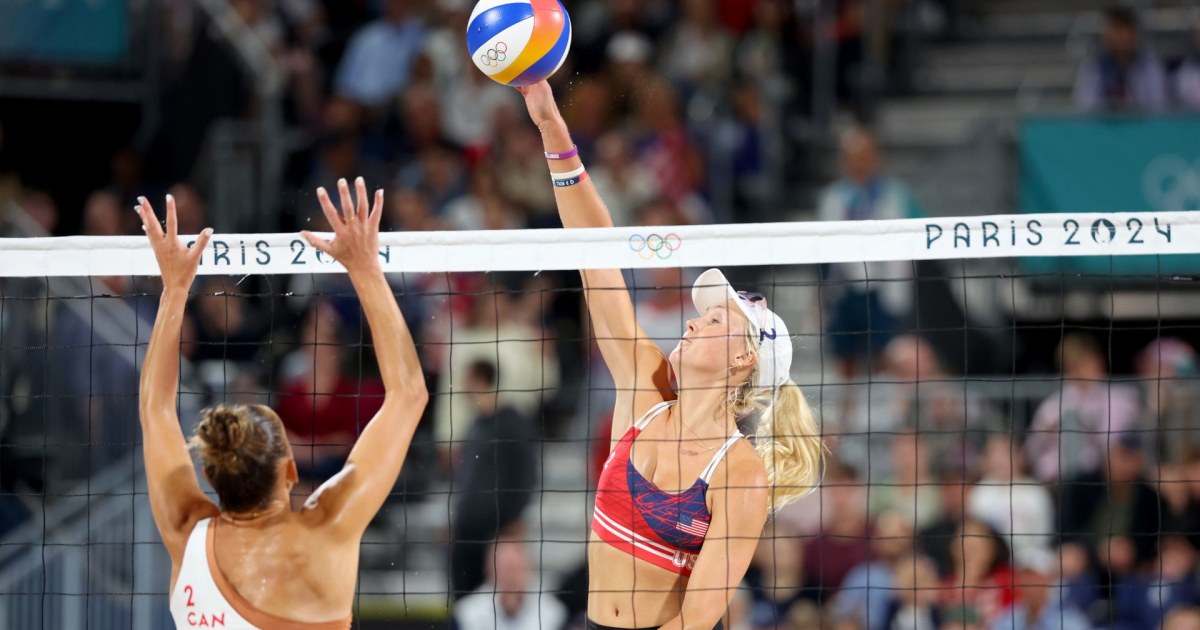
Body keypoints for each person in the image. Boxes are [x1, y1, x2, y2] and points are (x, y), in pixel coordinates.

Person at [516, 80, 824, 630]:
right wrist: (551, 128)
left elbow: (699, 618)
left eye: (712, 320)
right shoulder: (645, 391)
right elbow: (596, 251)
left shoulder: (738, 470)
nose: (690, 319)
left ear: (742, 359)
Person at [135, 178, 429, 627]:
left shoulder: (185, 532)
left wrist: (174, 290)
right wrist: (365, 268)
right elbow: (410, 394)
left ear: (210, 475)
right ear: (291, 471)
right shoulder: (327, 530)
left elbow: (155, 409)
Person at [1072, 6, 1168, 113]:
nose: (1122, 36)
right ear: (1106, 35)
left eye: (1126, 29)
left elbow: (1158, 105)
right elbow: (1085, 106)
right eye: (1117, 29)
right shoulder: (1093, 67)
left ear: (1134, 33)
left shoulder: (1149, 65)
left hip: (1141, 125)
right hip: (1104, 126)